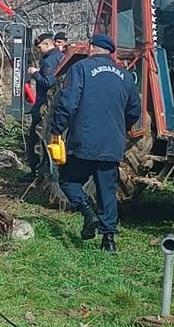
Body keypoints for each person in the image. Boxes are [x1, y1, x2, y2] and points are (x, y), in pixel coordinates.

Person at [49, 34, 141, 253]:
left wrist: (56, 129)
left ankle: (87, 212)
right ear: (110, 52)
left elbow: (68, 103)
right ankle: (108, 240)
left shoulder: (81, 69)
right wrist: (119, 128)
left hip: (84, 141)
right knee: (107, 191)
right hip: (112, 145)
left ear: (91, 49)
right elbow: (134, 111)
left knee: (69, 181)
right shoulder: (126, 76)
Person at [22, 32, 68, 180]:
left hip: (44, 104)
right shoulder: (61, 56)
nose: (38, 50)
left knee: (34, 139)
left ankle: (35, 171)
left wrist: (35, 73)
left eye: (40, 47)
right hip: (52, 102)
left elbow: (48, 82)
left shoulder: (49, 60)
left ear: (48, 44)